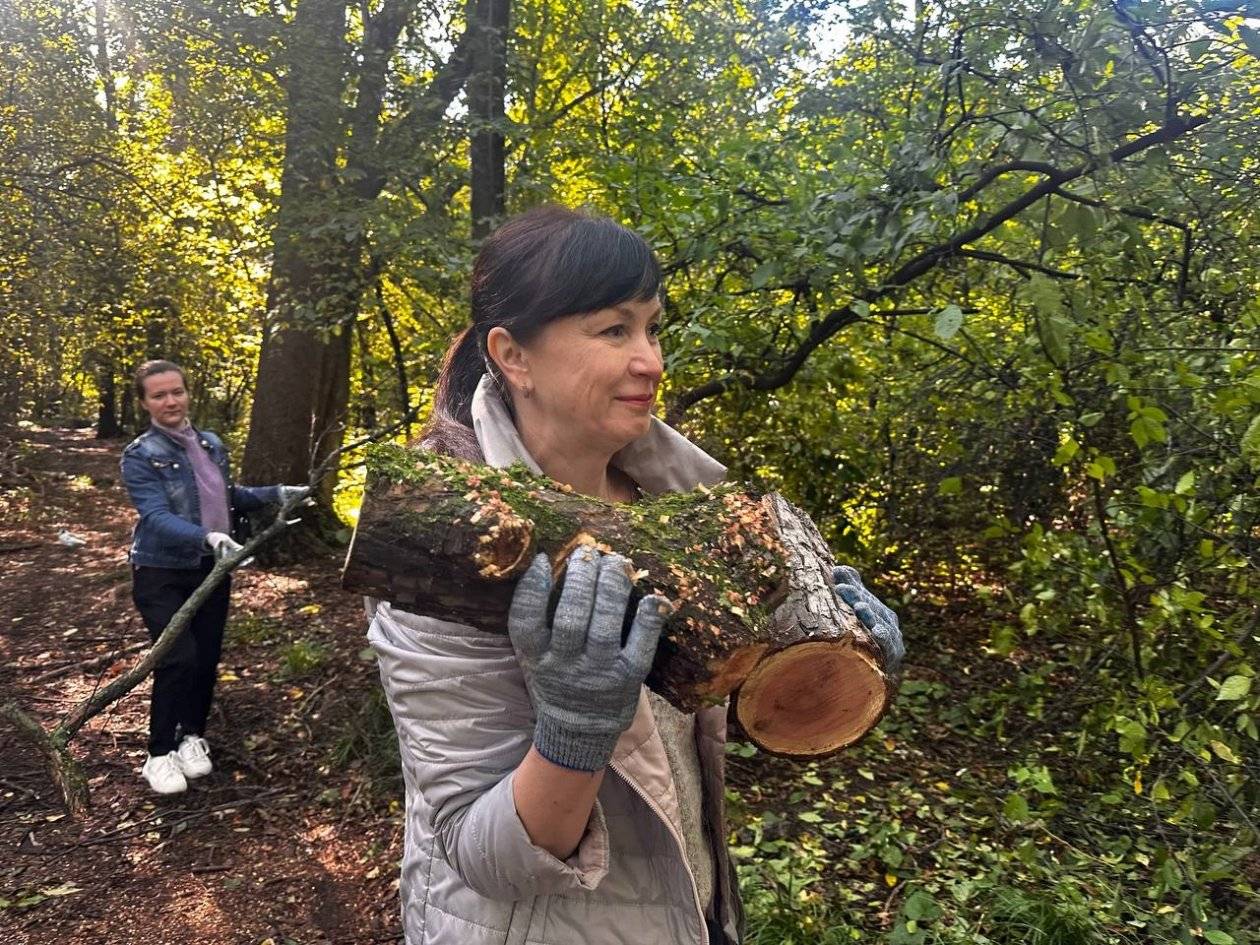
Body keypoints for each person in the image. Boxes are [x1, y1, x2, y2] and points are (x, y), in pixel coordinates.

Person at [366, 205, 905, 945]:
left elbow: (694, 720)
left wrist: (835, 653)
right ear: (513, 355)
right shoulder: (450, 547)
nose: (650, 359)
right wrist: (573, 732)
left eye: (652, 327)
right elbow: (478, 855)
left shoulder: (677, 508)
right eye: (614, 329)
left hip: (692, 910)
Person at [120, 360, 309, 795]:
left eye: (176, 392)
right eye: (159, 395)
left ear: (188, 393)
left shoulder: (209, 444)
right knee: (177, 657)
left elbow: (228, 497)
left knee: (205, 657)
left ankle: (191, 737)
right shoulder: (141, 455)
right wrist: (208, 537)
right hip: (161, 571)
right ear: (145, 402)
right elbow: (155, 515)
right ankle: (159, 752)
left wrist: (278, 494)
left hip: (212, 568)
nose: (170, 401)